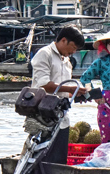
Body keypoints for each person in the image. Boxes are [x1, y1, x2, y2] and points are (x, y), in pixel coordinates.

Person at [28, 25, 88, 164]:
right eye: (73, 47)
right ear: (63, 40)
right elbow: (43, 85)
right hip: (43, 116)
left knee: (59, 157)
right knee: (40, 156)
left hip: (61, 115)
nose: (73, 51)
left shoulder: (67, 61)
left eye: (76, 49)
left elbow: (63, 89)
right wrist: (71, 89)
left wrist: (77, 94)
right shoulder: (45, 54)